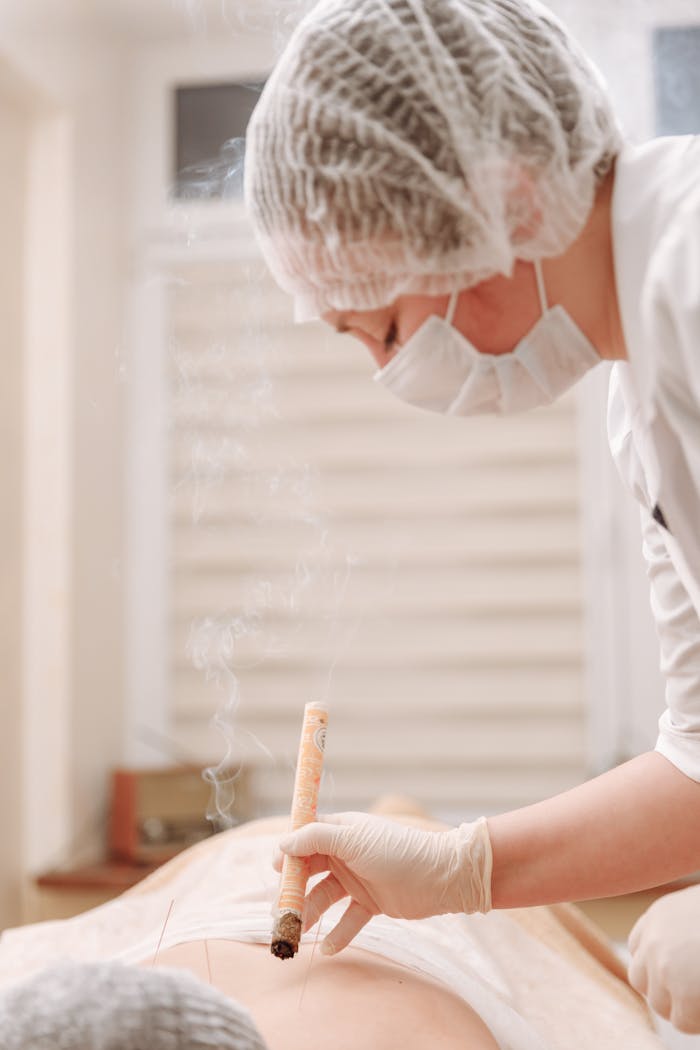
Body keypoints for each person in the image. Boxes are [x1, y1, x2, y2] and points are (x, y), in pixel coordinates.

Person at [242, 0, 700, 1030]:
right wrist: (461, 868)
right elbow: (699, 759)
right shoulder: (641, 400)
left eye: (386, 326)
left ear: (504, 200)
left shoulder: (691, 276)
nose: (392, 370)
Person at [0, 807, 663, 1049]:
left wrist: (462, 867)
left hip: (247, 875)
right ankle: (402, 809)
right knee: (393, 816)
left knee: (365, 825)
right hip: (257, 885)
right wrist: (461, 867)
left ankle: (401, 810)